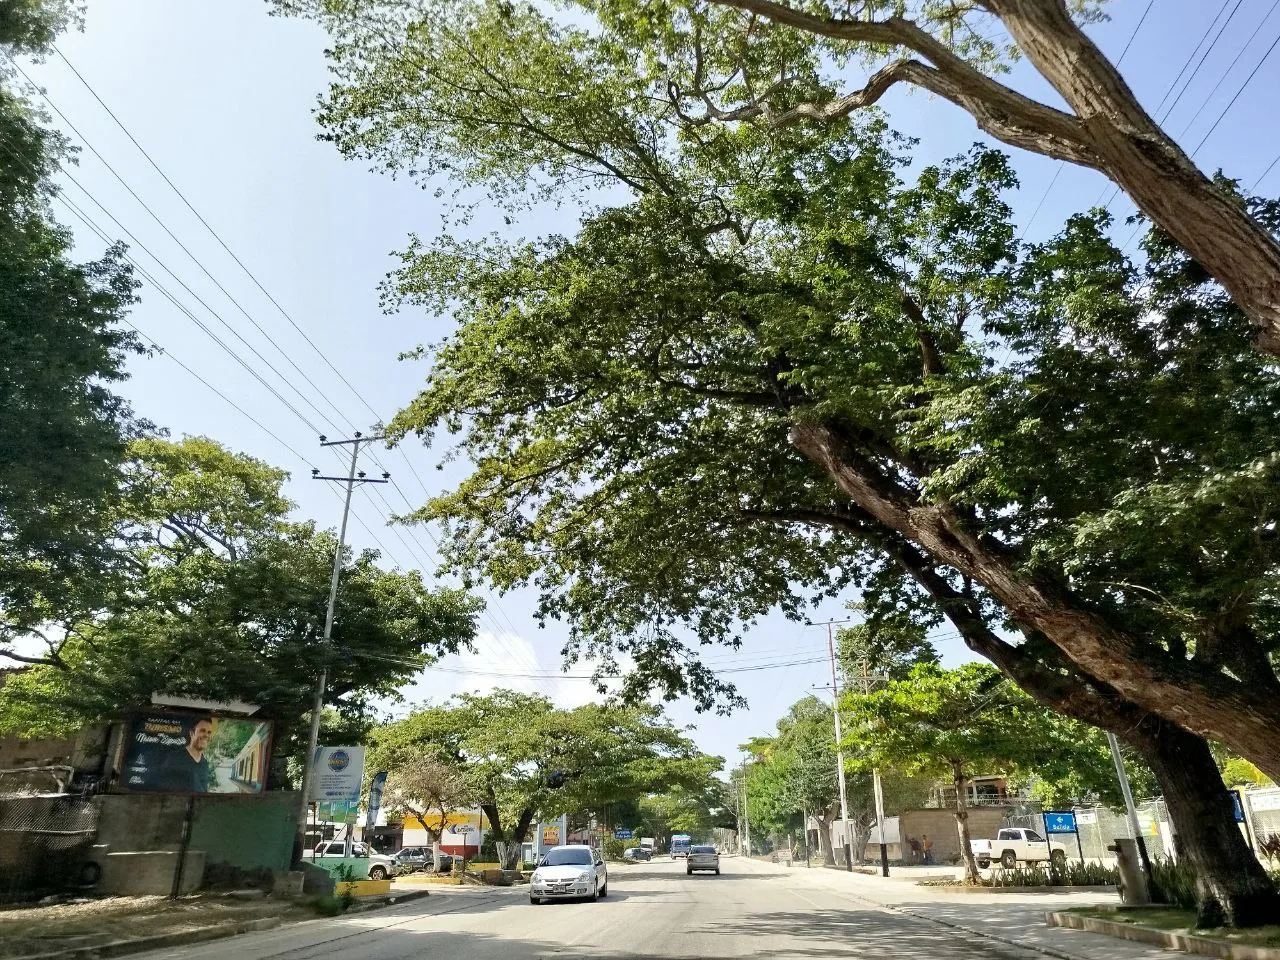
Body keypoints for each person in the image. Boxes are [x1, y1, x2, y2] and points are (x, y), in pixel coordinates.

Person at [151, 716, 214, 792]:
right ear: (191, 733)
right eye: (202, 731)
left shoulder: (205, 763)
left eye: (209, 732)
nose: (206, 735)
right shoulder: (174, 758)